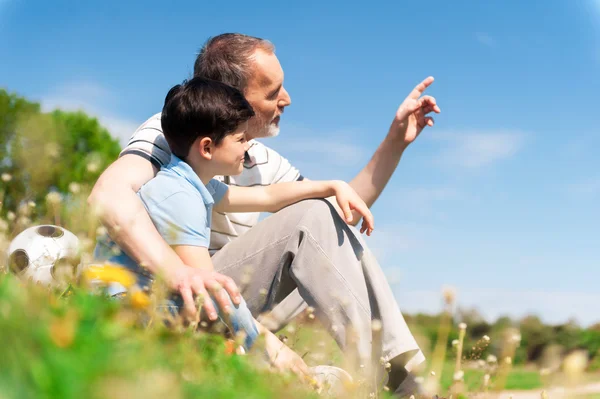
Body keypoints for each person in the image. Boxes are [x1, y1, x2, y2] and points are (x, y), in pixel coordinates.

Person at [89, 33, 440, 396]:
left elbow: (331, 217)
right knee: (310, 222)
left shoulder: (249, 158)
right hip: (176, 298)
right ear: (229, 99)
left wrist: (393, 144)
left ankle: (389, 372)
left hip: (221, 303)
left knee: (322, 231)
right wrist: (181, 274)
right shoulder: (172, 133)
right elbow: (108, 197)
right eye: (273, 92)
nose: (286, 100)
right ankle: (389, 379)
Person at [93, 76, 374, 379]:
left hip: (154, 303)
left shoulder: (193, 180)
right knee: (234, 334)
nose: (248, 146)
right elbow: (210, 290)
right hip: (130, 312)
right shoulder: (180, 196)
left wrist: (332, 186)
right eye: (240, 139)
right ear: (207, 148)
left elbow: (266, 196)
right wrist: (271, 347)